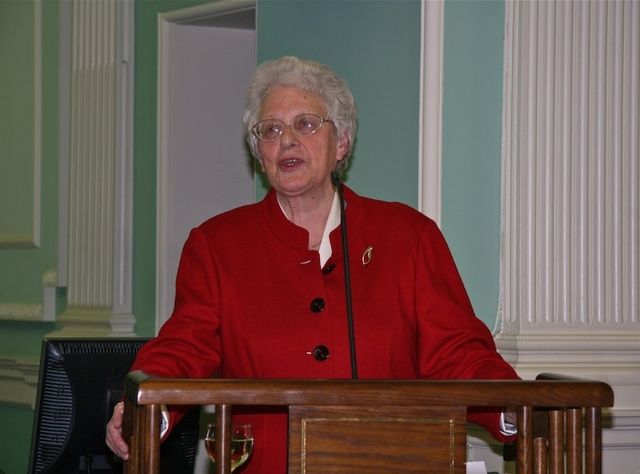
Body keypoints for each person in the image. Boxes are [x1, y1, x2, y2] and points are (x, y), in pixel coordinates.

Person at [106, 56, 518, 472]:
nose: (286, 140)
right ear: (259, 153)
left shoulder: (408, 236)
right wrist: (145, 407)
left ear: (341, 143)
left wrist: (513, 406)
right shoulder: (217, 245)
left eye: (305, 124)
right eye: (271, 129)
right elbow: (184, 349)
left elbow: (457, 352)